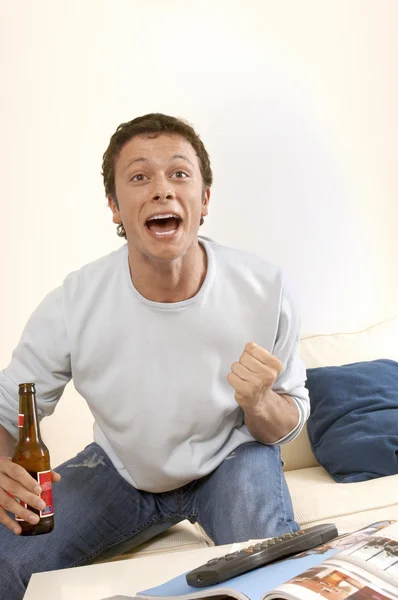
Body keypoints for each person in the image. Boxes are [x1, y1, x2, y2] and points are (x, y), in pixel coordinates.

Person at [0, 113, 309, 599]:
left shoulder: (265, 287)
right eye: (139, 177)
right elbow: (10, 409)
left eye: (179, 174)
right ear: (115, 207)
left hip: (230, 458)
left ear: (204, 198)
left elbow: (286, 421)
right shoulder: (74, 300)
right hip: (122, 470)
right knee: (6, 560)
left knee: (269, 568)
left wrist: (261, 403)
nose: (162, 189)